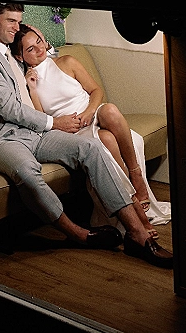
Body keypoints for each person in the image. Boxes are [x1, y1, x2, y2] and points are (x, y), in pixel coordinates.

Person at [0, 2, 172, 267]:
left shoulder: (12, 51)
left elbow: (43, 55)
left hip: (33, 131)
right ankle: (79, 234)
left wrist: (39, 43)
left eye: (18, 21)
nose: (16, 27)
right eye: (11, 21)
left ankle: (136, 233)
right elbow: (5, 106)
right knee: (26, 171)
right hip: (3, 138)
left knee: (91, 149)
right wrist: (53, 122)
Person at [11, 24, 171, 237]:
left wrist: (88, 112)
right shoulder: (27, 83)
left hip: (91, 112)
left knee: (111, 111)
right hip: (72, 130)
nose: (39, 49)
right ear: (20, 56)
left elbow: (96, 91)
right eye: (30, 49)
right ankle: (133, 206)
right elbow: (42, 119)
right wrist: (32, 88)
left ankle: (136, 175)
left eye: (38, 42)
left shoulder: (66, 61)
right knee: (107, 140)